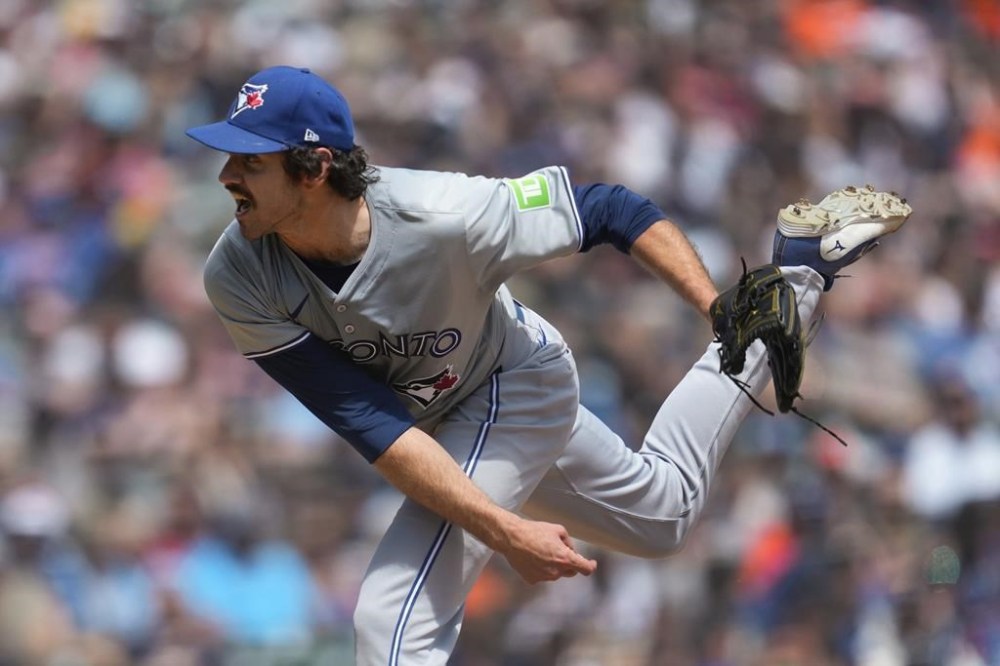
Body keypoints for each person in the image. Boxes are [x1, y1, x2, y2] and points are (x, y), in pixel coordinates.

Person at [185, 65, 910, 665]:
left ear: (313, 167)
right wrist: (502, 526)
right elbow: (373, 426)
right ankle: (802, 275)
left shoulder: (443, 214)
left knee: (392, 623)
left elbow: (609, 209)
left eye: (251, 160)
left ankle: (757, 309)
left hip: (511, 384)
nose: (227, 175)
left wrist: (714, 305)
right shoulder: (239, 274)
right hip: (444, 425)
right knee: (663, 515)